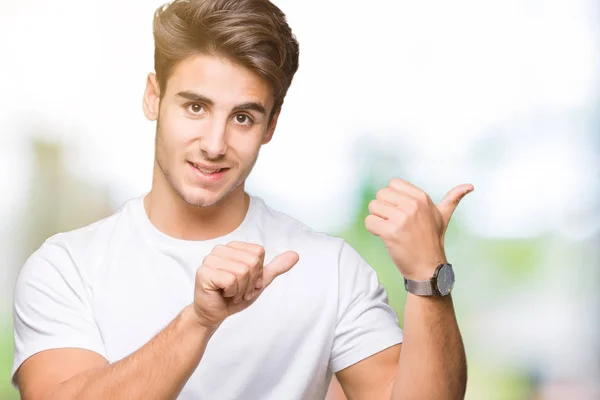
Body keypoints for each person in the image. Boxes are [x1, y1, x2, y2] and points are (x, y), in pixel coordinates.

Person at [11, 0, 472, 399]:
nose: (215, 143)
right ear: (154, 97)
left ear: (271, 125)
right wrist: (198, 321)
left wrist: (429, 278)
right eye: (196, 107)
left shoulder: (328, 268)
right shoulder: (67, 267)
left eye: (244, 118)